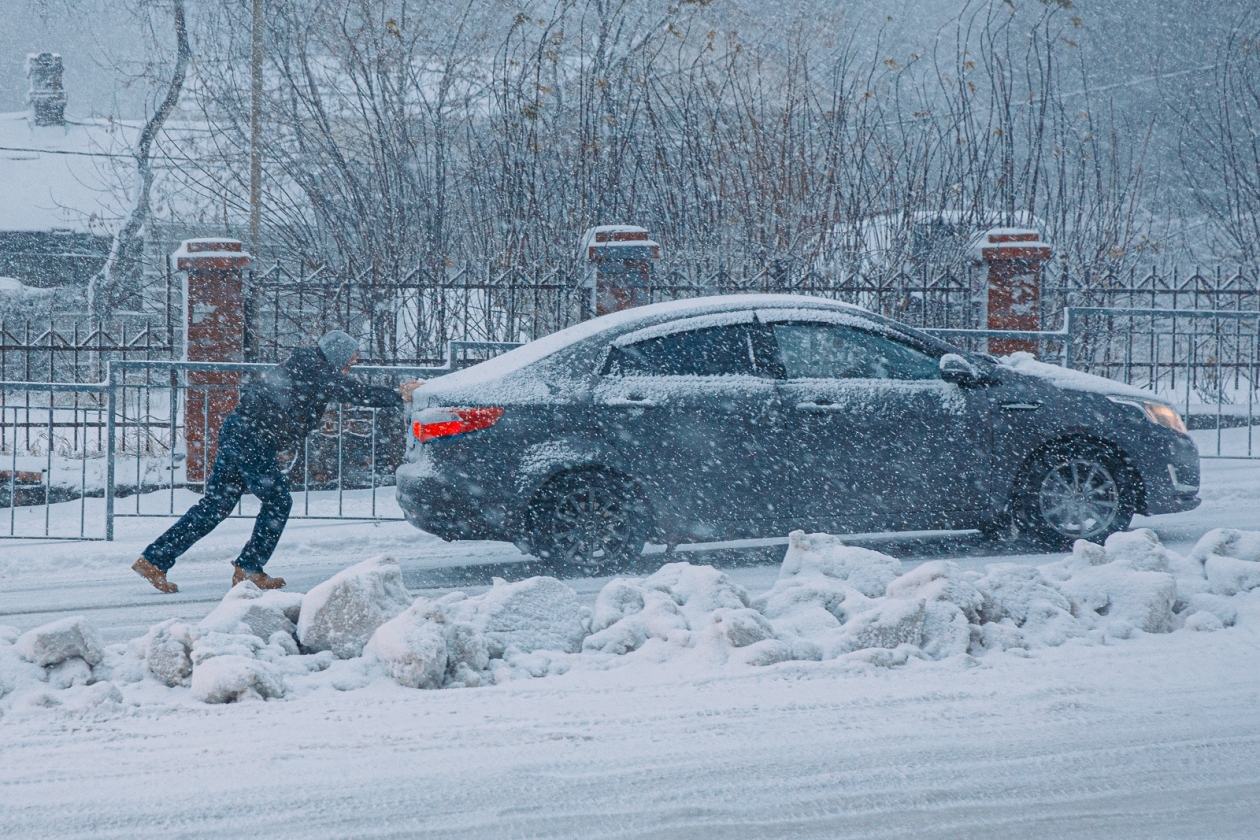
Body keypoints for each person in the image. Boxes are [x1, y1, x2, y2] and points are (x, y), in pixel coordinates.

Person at [131, 330, 422, 593]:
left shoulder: (307, 366)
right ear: (336, 356)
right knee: (278, 502)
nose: (350, 367)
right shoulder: (315, 370)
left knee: (215, 505)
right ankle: (249, 568)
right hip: (251, 438)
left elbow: (338, 389)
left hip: (240, 432)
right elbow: (354, 392)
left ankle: (155, 558)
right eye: (350, 361)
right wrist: (398, 396)